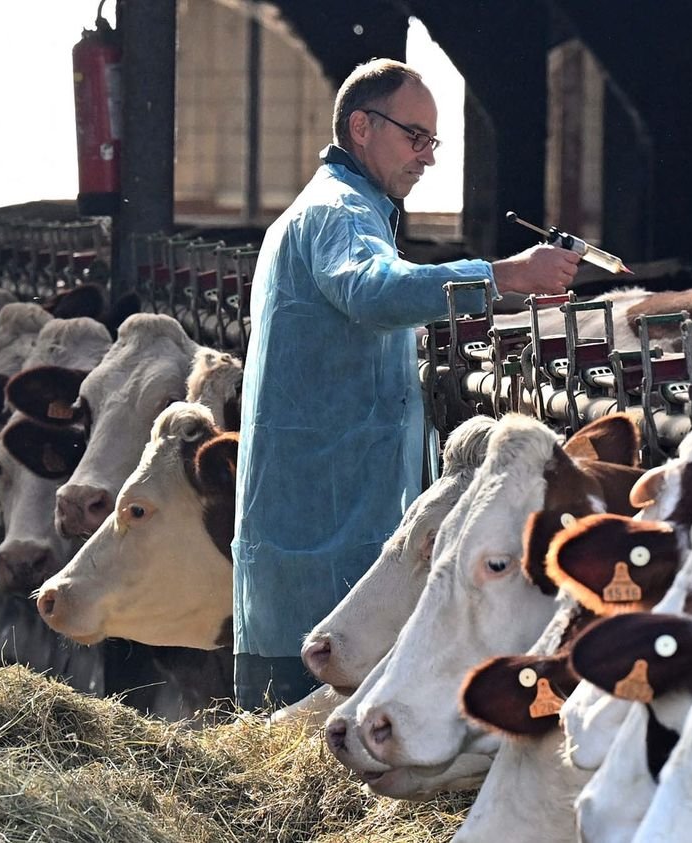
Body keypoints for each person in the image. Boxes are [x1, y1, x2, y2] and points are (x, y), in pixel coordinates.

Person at [232, 59, 580, 708]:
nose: (428, 157)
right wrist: (504, 275)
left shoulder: (342, 211)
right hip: (327, 551)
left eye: (432, 140)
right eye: (415, 137)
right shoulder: (340, 213)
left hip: (318, 540)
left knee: (286, 742)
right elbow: (373, 291)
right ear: (362, 127)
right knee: (301, 742)